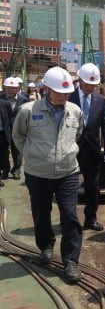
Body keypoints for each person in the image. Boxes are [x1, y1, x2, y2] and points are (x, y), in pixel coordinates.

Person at [12, 67, 84, 283]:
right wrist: (33, 156)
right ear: (46, 90)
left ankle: (70, 260)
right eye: (59, 92)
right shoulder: (28, 110)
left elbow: (77, 134)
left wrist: (65, 154)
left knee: (70, 216)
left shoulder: (75, 111)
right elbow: (18, 136)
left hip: (68, 172)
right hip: (38, 173)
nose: (64, 96)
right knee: (41, 213)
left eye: (67, 93)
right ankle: (45, 247)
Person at [69, 63, 105, 232]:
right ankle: (70, 220)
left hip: (93, 150)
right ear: (79, 80)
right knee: (70, 186)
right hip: (71, 149)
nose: (90, 87)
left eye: (93, 85)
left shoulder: (101, 101)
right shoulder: (69, 97)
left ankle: (91, 218)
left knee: (93, 187)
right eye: (87, 84)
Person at [0, 77, 29, 180]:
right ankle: (5, 170)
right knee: (3, 152)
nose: (11, 90)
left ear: (17, 88)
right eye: (8, 88)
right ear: (5, 87)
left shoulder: (24, 99)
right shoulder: (1, 98)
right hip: (3, 130)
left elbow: (27, 115)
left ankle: (16, 170)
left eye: (13, 88)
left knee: (17, 151)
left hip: (19, 129)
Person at [0, 96, 12, 188]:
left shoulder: (5, 103)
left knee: (3, 155)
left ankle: (5, 171)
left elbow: (9, 119)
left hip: (2, 134)